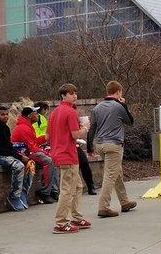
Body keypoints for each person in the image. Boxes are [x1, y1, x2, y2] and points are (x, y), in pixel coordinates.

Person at [87, 81, 136, 218]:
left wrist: (90, 146)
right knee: (110, 175)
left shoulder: (97, 108)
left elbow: (92, 129)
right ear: (118, 92)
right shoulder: (118, 106)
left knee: (116, 172)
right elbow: (130, 122)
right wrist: (124, 105)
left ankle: (124, 201)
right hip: (114, 145)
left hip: (100, 144)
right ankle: (103, 207)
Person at [47, 83, 91, 234]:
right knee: (67, 189)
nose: (75, 96)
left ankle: (76, 217)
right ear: (63, 95)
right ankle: (60, 222)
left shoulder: (54, 112)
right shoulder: (70, 112)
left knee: (77, 186)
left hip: (58, 153)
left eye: (75, 93)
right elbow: (75, 134)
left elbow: (47, 135)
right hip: (68, 154)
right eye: (72, 94)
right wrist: (85, 127)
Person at [11, 106, 58, 204]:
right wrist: (45, 152)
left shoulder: (26, 125)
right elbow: (31, 148)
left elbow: (33, 142)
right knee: (49, 160)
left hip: (28, 151)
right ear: (29, 115)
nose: (38, 115)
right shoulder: (23, 127)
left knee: (53, 158)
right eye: (35, 113)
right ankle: (45, 192)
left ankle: (53, 191)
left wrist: (45, 137)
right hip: (25, 153)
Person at [0, 106, 32, 211]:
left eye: (7, 114)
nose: (6, 117)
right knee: (19, 166)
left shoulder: (6, 128)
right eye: (2, 114)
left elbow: (8, 146)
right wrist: (19, 157)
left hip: (6, 154)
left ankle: (23, 193)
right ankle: (13, 196)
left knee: (30, 164)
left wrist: (20, 155)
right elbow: (1, 149)